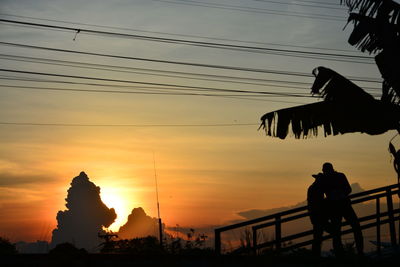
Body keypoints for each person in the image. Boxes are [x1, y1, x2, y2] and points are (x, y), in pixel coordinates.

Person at [319, 162, 364, 257]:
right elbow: (348, 189)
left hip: (337, 208)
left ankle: (341, 255)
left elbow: (348, 189)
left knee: (338, 232)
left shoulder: (325, 180)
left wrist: (338, 194)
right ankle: (358, 252)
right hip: (343, 206)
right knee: (354, 227)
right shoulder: (339, 176)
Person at [307, 173, 330, 257]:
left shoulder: (313, 187)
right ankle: (316, 255)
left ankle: (315, 255)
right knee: (318, 236)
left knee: (317, 236)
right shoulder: (317, 189)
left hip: (315, 215)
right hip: (319, 215)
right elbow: (318, 203)